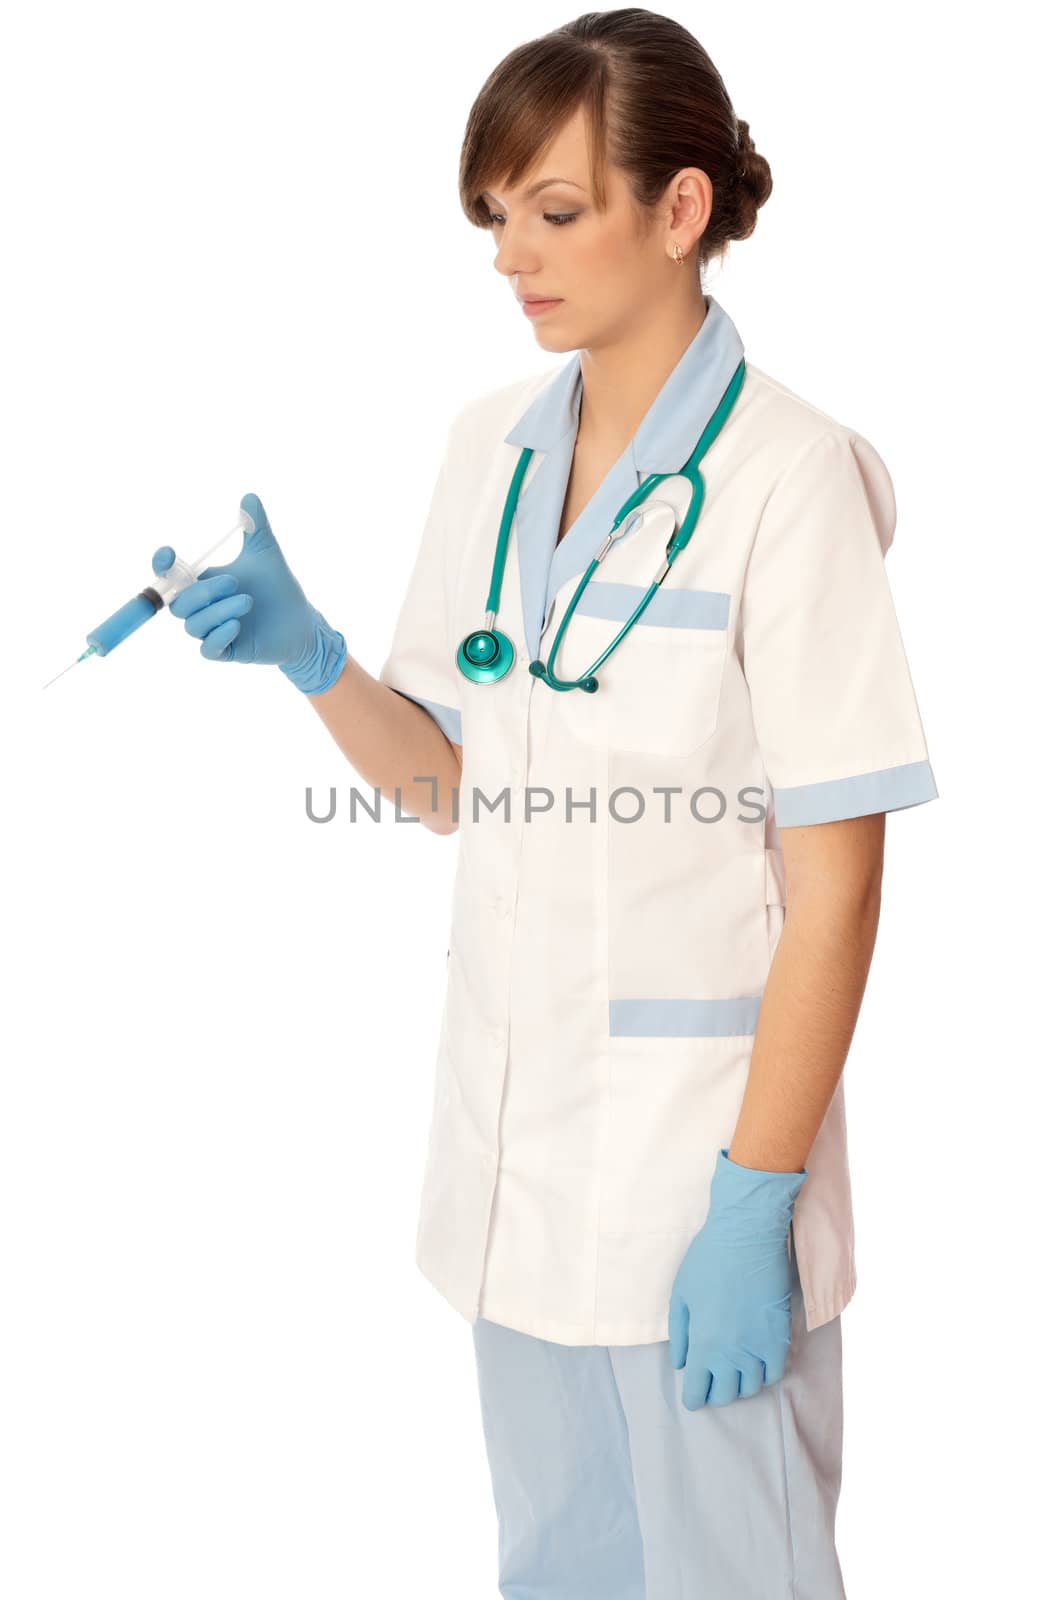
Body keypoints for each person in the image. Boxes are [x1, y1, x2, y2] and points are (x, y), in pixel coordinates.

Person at [152, 9, 939, 1595]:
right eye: (496, 217)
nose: (515, 255)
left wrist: (753, 1203)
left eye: (556, 210)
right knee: (561, 1572)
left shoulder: (793, 479)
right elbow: (446, 781)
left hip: (699, 1175)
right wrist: (315, 664)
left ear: (682, 208)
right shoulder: (490, 455)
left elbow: (838, 882)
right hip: (516, 1173)